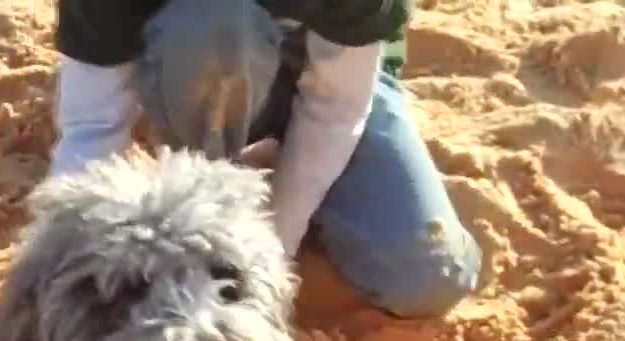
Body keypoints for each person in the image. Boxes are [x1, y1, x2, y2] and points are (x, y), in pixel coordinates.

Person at [51, 0, 483, 319]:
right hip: (194, 56)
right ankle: (205, 194)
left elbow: (337, 108)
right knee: (216, 27)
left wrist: (272, 251)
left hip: (338, 75)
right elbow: (92, 127)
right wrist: (66, 266)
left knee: (427, 277)